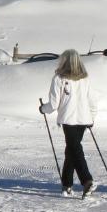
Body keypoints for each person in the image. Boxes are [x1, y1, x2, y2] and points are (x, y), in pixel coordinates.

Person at [39, 49, 98, 198]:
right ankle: (67, 184)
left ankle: (87, 181)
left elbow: (53, 104)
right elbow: (92, 100)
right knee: (71, 149)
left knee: (75, 149)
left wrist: (42, 109)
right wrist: (92, 117)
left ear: (64, 61)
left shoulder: (59, 78)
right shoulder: (84, 78)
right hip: (83, 120)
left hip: (69, 120)